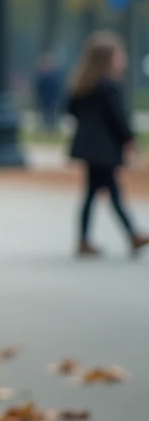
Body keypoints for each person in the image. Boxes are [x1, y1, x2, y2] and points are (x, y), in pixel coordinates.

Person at [65, 31, 149, 257]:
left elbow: (70, 109)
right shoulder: (109, 86)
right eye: (119, 54)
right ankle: (132, 234)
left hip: (88, 147)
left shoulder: (83, 84)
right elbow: (117, 117)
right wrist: (129, 138)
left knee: (93, 193)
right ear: (108, 59)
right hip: (105, 148)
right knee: (111, 190)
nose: (123, 58)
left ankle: (85, 240)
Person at [35, 52, 64, 133]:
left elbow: (57, 88)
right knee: (45, 115)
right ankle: (46, 129)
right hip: (44, 99)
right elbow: (39, 89)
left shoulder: (54, 75)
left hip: (52, 99)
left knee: (52, 115)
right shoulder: (42, 75)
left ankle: (51, 129)